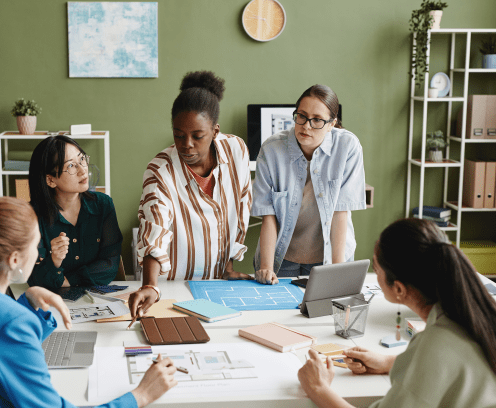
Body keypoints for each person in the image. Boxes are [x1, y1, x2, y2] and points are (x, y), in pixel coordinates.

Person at [298, 218, 496, 408]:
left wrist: (318, 388)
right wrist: (390, 362)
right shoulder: (479, 314)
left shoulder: (436, 344)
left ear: (399, 289)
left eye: (376, 270)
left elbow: (440, 358)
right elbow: (458, 363)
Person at [0, 196, 178, 407]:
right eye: (36, 245)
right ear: (14, 260)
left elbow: (9, 353)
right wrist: (142, 395)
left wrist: (27, 305)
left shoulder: (12, 318)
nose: (39, 255)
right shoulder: (14, 322)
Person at [129, 71, 252, 318]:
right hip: (172, 288)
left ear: (215, 131)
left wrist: (228, 266)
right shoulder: (160, 170)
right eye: (178, 135)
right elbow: (155, 229)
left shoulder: (236, 150)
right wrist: (150, 285)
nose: (187, 145)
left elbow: (240, 210)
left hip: (216, 286)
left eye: (197, 136)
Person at [251, 85, 366, 285]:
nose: (306, 126)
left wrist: (338, 271)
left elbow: (340, 212)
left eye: (317, 120)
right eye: (301, 116)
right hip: (282, 256)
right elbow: (268, 215)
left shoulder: (348, 147)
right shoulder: (271, 150)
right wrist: (267, 268)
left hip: (328, 257)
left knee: (324, 313)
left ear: (332, 124)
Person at [27, 135, 123, 291]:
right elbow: (33, 277)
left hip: (97, 297)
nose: (82, 170)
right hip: (51, 301)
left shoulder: (103, 205)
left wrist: (69, 281)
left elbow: (111, 263)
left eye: (82, 159)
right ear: (50, 180)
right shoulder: (32, 215)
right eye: (71, 166)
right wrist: (54, 260)